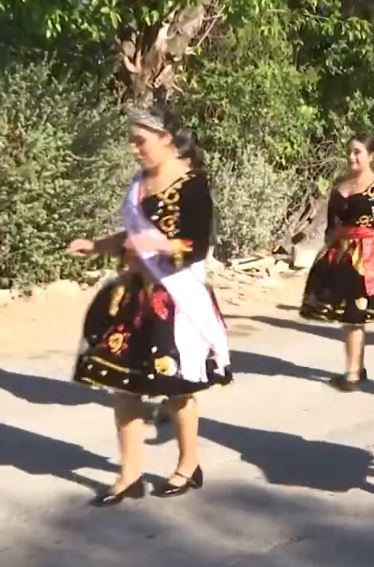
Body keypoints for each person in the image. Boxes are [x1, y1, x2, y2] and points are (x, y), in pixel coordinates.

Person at [68, 106, 232, 506]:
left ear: (166, 139)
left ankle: (188, 462)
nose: (133, 148)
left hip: (173, 300)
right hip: (133, 297)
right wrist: (99, 246)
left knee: (176, 388)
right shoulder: (140, 183)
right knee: (123, 384)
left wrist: (160, 245)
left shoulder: (193, 187)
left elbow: (196, 245)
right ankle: (129, 474)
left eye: (139, 140)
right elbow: (132, 233)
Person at [300, 135, 374, 390]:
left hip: (369, 255)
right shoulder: (340, 186)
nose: (352, 157)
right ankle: (356, 367)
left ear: (370, 156)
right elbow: (331, 228)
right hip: (341, 253)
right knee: (347, 314)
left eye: (358, 152)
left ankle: (351, 373)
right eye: (349, 152)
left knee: (355, 313)